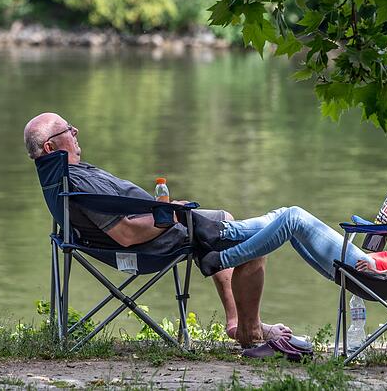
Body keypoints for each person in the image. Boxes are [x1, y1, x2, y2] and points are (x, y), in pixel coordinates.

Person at [23, 112, 290, 347]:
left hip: (152, 231)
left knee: (226, 218)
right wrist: (171, 214)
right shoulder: (78, 182)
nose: (75, 132)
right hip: (150, 247)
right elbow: (127, 235)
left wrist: (167, 210)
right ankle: (250, 330)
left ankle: (236, 321)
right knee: (258, 240)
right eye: (68, 130)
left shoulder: (64, 176)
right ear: (50, 146)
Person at [194, 162, 387, 278]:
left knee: (294, 216)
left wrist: (385, 274)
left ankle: (220, 259)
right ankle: (221, 231)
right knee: (283, 214)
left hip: (372, 268)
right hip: (371, 264)